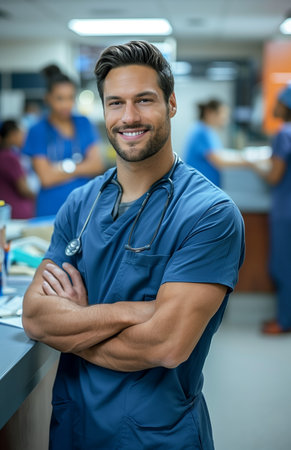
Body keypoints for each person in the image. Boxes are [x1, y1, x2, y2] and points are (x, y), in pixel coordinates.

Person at [22, 41, 245, 450]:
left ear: (171, 103)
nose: (129, 117)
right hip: (74, 425)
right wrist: (131, 311)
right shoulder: (81, 203)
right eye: (115, 103)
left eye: (144, 100)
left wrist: (73, 324)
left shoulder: (209, 214)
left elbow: (165, 344)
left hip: (157, 433)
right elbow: (36, 317)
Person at [22, 64, 104, 217]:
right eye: (59, 98)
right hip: (50, 211)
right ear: (47, 99)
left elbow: (96, 166)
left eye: (70, 98)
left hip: (84, 208)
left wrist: (61, 167)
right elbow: (46, 178)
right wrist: (81, 167)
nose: (66, 104)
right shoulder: (37, 130)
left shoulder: (83, 123)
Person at [252, 85, 291, 334]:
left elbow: (275, 175)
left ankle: (284, 321)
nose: (273, 106)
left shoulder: (282, 134)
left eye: (277, 102)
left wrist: (256, 166)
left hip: (285, 212)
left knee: (283, 266)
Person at [184, 99, 248, 187]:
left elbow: (219, 153)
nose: (226, 119)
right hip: (200, 187)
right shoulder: (201, 132)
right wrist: (249, 162)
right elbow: (219, 160)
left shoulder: (208, 131)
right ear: (210, 113)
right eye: (223, 115)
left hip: (206, 186)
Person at [0, 119, 35, 219]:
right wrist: (39, 197)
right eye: (21, 134)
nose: (24, 137)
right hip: (16, 214)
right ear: (12, 134)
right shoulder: (9, 158)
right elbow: (24, 189)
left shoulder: (6, 155)